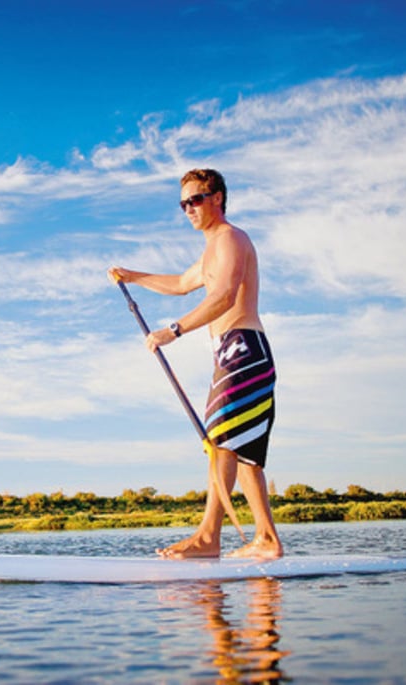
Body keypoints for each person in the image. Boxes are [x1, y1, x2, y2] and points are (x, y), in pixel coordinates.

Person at [108, 168, 283, 560]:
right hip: (233, 352)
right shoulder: (211, 250)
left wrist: (173, 330)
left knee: (221, 442)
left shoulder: (231, 239)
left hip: (243, 349)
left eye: (196, 199)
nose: (189, 208)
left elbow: (223, 295)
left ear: (217, 197)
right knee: (243, 451)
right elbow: (181, 283)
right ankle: (266, 539)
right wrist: (132, 276)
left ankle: (208, 538)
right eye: (183, 203)